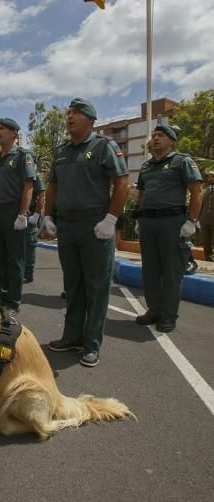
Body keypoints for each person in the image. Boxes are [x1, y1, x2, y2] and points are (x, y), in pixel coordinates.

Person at [44, 97, 129, 368]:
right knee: (73, 285)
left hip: (95, 225)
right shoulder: (61, 151)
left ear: (90, 120)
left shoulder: (104, 146)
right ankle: (72, 336)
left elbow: (122, 183)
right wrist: (47, 215)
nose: (69, 117)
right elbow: (52, 187)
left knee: (96, 287)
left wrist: (111, 219)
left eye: (76, 113)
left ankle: (92, 344)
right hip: (67, 226)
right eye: (68, 113)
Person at [134, 123, 203, 332]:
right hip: (148, 223)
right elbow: (141, 194)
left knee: (172, 272)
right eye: (154, 135)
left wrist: (191, 221)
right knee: (151, 270)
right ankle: (154, 310)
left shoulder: (182, 161)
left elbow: (197, 191)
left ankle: (168, 316)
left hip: (172, 223)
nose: (155, 138)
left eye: (161, 135)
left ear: (171, 141)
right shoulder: (146, 167)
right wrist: (138, 218)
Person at [0, 118, 36, 313]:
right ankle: (4, 297)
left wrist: (22, 215)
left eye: (3, 129)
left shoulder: (23, 155)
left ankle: (13, 302)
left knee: (15, 259)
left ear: (14, 133)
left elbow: (28, 186)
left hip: (14, 212)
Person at [24, 166, 45, 283]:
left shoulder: (36, 175)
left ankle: (28, 273)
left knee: (29, 245)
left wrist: (36, 215)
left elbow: (42, 195)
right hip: (19, 214)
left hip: (30, 214)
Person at [200, 169, 214, 261]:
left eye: (212, 176)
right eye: (210, 176)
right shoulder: (205, 190)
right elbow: (201, 205)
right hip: (205, 220)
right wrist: (198, 219)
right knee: (206, 241)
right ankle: (208, 259)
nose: (210, 178)